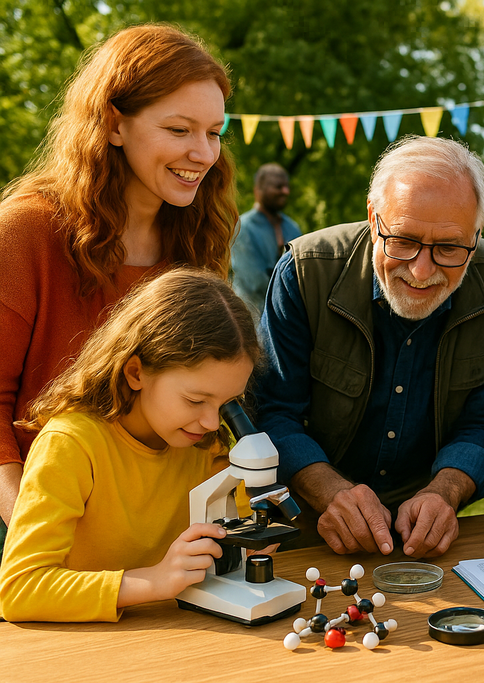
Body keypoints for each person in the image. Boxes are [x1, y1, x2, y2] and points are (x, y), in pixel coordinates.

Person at [0, 24, 237, 549]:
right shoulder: (24, 232)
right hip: (45, 530)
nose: (203, 153)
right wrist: (27, 521)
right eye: (180, 130)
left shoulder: (200, 242)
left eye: (214, 133)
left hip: (160, 534)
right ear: (113, 124)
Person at [257, 135, 484, 559]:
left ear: (477, 234)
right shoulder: (305, 271)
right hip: (308, 521)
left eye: (450, 248)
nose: (421, 270)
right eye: (403, 240)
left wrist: (446, 491)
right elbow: (272, 410)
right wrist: (329, 491)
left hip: (434, 538)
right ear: (372, 216)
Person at [0, 269, 260, 622]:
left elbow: (245, 533)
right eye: (196, 400)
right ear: (136, 372)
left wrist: (257, 537)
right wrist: (153, 582)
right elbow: (19, 589)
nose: (214, 423)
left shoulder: (205, 444)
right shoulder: (72, 445)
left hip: (178, 637)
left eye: (227, 403)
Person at [231, 163, 302, 315]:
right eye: (278, 186)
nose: (285, 191)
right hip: (252, 319)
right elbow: (255, 282)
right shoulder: (242, 228)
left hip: (288, 319)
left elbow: (303, 274)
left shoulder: (292, 228)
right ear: (258, 190)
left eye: (287, 186)